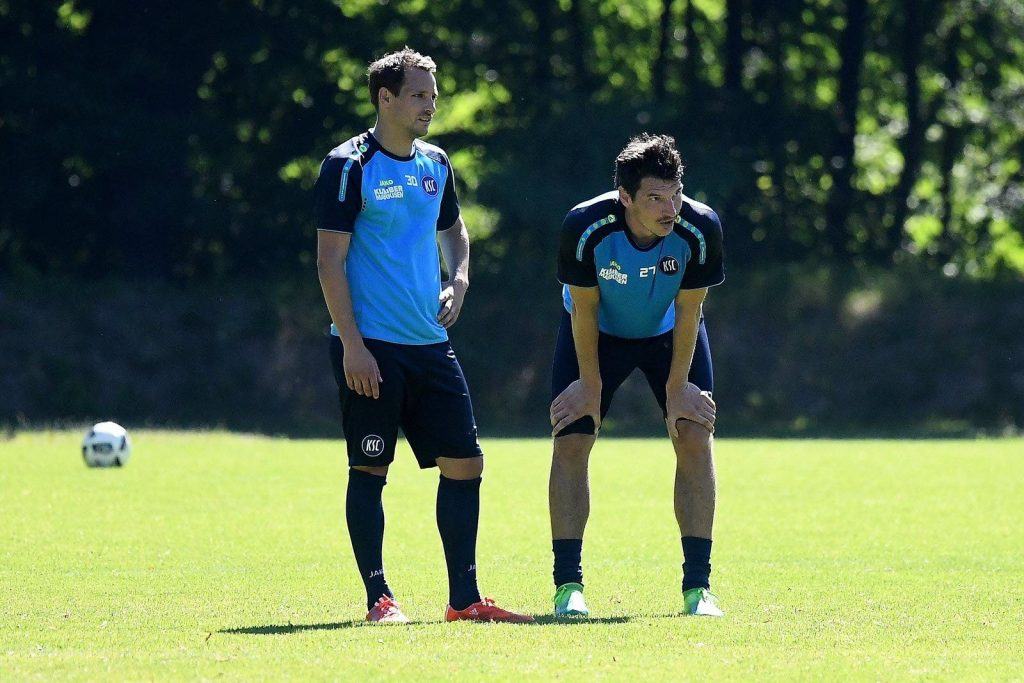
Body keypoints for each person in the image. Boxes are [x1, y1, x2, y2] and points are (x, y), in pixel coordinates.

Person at [313, 48, 531, 624]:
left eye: (433, 94)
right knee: (370, 469)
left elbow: (456, 233)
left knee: (466, 463)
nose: (430, 105)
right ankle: (378, 599)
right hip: (371, 347)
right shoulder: (349, 165)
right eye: (419, 95)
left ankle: (464, 599)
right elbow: (329, 262)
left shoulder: (435, 163)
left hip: (430, 345)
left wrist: (458, 280)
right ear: (385, 99)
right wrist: (353, 346)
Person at [548, 133, 725, 618]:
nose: (669, 208)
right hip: (596, 331)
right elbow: (582, 311)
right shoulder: (585, 227)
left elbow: (691, 311)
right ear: (625, 198)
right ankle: (568, 587)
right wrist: (588, 384)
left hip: (668, 330)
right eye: (654, 198)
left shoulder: (700, 227)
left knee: (692, 433)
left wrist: (677, 390)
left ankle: (698, 588)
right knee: (573, 437)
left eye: (676, 194)